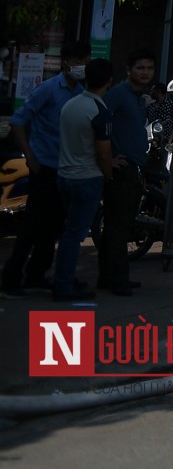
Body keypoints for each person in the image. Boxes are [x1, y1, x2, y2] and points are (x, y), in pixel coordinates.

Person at [1, 44, 88, 296]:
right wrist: (30, 157)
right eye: (77, 58)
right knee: (31, 225)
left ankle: (37, 274)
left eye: (85, 58)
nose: (82, 63)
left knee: (53, 226)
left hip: (65, 168)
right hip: (44, 166)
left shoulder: (80, 92)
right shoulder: (49, 89)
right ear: (65, 62)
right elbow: (18, 121)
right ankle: (11, 278)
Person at [52, 60, 115, 301]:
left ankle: (65, 278)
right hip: (87, 178)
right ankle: (64, 284)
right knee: (74, 235)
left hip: (65, 175)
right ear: (109, 80)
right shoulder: (100, 111)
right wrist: (108, 175)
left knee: (70, 232)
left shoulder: (70, 105)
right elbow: (104, 153)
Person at [98, 49, 157, 296]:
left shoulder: (137, 97)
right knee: (118, 226)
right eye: (140, 68)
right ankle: (116, 278)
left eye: (149, 68)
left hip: (134, 166)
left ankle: (110, 276)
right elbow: (98, 123)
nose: (145, 72)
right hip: (120, 169)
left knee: (121, 224)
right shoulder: (118, 94)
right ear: (129, 70)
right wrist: (108, 159)